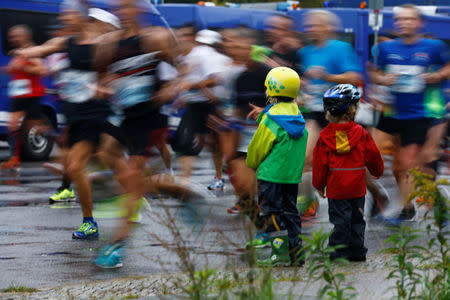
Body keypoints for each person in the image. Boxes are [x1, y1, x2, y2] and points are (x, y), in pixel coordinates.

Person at [369, 4, 450, 222]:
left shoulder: (433, 47)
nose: (404, 23)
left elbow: (447, 67)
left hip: (418, 115)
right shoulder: (385, 48)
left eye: (409, 19)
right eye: (400, 20)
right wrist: (382, 79)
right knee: (368, 157)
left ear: (419, 23)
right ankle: (385, 198)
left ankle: (402, 209)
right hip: (390, 113)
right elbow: (374, 72)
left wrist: (438, 75)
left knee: (407, 165)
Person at [297, 10, 363, 216]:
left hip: (339, 114)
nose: (309, 28)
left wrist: (327, 76)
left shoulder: (341, 48)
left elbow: (354, 77)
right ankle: (307, 203)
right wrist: (300, 89)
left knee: (345, 162)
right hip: (314, 111)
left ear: (327, 27)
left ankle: (375, 193)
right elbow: (305, 80)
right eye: (308, 25)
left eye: (314, 24)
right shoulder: (305, 51)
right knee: (304, 156)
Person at [312, 84, 384, 261]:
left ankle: (338, 252)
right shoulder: (361, 133)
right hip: (357, 189)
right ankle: (358, 252)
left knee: (340, 221)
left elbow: (319, 164)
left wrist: (319, 185)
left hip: (337, 190)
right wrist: (377, 171)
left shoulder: (325, 137)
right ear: (352, 110)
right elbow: (373, 155)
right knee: (357, 221)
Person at [246, 67, 308, 267]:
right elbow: (280, 114)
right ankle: (296, 253)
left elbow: (258, 148)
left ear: (270, 90)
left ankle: (279, 254)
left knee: (271, 213)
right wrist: (264, 114)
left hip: (270, 177)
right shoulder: (297, 116)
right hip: (291, 177)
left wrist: (251, 163)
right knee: (290, 212)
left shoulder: (271, 121)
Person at [1, 25, 48, 169]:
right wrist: (8, 69)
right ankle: (15, 159)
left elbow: (42, 70)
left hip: (32, 95)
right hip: (19, 95)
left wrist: (23, 67)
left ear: (25, 36)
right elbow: (15, 69)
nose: (12, 39)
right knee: (12, 126)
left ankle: (59, 138)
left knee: (33, 129)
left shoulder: (32, 51)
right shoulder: (18, 53)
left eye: (16, 36)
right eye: (11, 36)